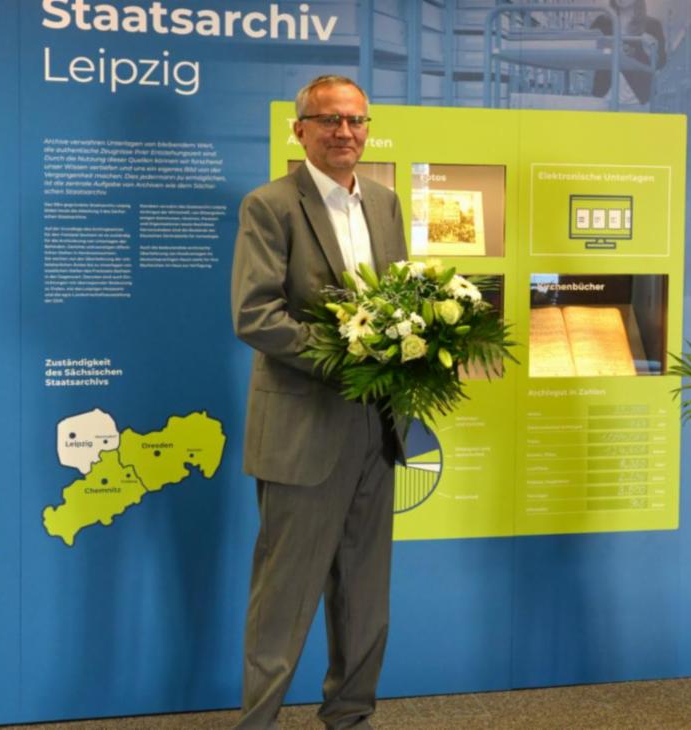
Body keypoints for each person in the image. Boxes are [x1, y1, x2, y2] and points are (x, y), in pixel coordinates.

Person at [230, 74, 408, 729]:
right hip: (302, 428)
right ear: (298, 129)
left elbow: (399, 308)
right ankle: (258, 722)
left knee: (365, 593)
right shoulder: (270, 205)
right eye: (329, 120)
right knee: (283, 596)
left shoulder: (385, 204)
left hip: (378, 426)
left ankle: (351, 716)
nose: (344, 133)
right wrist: (347, 354)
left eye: (356, 121)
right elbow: (254, 315)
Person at [591, 0, 667, 106]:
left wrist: (650, 50)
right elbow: (589, 53)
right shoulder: (601, 22)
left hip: (637, 99)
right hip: (604, 96)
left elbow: (661, 62)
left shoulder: (652, 25)